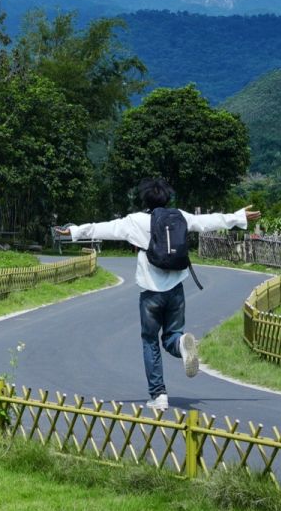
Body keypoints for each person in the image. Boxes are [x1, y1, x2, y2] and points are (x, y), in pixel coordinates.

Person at [59, 177, 260, 413]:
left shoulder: (134, 221)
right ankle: (181, 345)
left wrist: (73, 231)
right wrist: (237, 217)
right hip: (176, 288)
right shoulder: (179, 216)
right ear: (167, 197)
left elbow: (102, 228)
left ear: (145, 198)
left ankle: (159, 395)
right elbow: (206, 222)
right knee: (172, 335)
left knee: (150, 341)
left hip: (150, 293)